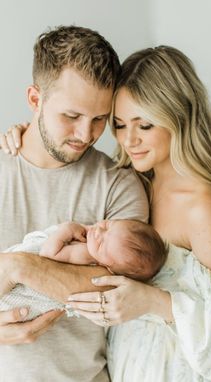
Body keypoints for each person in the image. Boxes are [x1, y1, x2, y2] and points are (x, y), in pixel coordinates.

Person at [28, 46, 211, 382]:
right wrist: (24, 132)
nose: (129, 140)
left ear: (179, 117)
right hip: (122, 366)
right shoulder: (131, 183)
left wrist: (154, 301)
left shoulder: (202, 206)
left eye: (145, 125)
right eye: (120, 125)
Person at [0, 25, 149, 382]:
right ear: (36, 100)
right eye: (72, 116)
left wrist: (19, 267)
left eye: (100, 119)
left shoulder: (118, 184)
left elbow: (119, 290)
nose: (86, 134)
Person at [0, 219, 167, 321]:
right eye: (108, 226)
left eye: (101, 244)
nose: (98, 231)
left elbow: (47, 253)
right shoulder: (101, 251)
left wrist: (66, 229)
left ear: (110, 267)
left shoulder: (86, 254)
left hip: (20, 290)